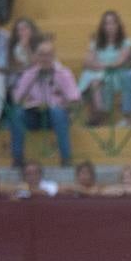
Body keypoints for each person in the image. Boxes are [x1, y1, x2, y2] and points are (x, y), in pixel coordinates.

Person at [9, 38, 78, 166]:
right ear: (36, 56)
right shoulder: (29, 73)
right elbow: (17, 99)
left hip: (56, 116)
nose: (44, 58)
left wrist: (61, 104)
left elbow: (74, 99)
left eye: (48, 55)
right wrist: (33, 77)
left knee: (56, 112)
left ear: (53, 56)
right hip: (34, 115)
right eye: (41, 55)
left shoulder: (64, 73)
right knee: (17, 114)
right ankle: (17, 158)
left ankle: (66, 158)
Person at [79, 10, 131, 124]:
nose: (110, 26)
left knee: (95, 80)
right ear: (102, 26)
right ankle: (98, 111)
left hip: (116, 75)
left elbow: (119, 63)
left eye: (113, 23)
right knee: (91, 77)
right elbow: (86, 62)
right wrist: (102, 67)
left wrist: (99, 65)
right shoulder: (96, 43)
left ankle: (98, 113)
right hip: (98, 73)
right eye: (106, 23)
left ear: (118, 25)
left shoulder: (126, 42)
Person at [7, 16, 40, 80]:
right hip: (21, 76)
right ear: (17, 33)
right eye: (20, 30)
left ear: (32, 30)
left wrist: (27, 48)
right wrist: (24, 47)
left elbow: (39, 64)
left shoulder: (39, 44)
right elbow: (23, 67)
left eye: (26, 28)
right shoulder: (16, 48)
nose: (24, 32)